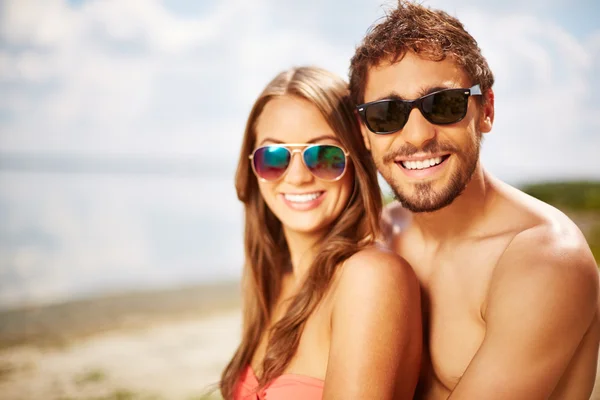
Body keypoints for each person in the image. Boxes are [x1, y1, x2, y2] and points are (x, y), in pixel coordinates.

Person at [349, 2, 600, 399]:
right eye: (386, 114)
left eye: (444, 104)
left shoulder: (544, 258)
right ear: (364, 133)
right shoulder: (377, 235)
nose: (416, 136)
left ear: (486, 111)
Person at [219, 66, 422, 400]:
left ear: (356, 162)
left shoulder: (370, 277)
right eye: (274, 157)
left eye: (323, 155)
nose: (297, 177)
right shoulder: (267, 278)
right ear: (252, 167)